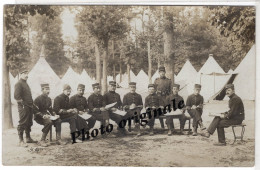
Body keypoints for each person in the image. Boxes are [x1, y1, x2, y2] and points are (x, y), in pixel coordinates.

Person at [14, 69, 37, 147]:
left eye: (27, 73)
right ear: (21, 74)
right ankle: (20, 140)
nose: (26, 75)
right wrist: (23, 105)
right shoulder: (19, 84)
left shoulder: (25, 83)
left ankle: (28, 138)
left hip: (29, 106)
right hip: (24, 107)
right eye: (24, 73)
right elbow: (17, 96)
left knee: (29, 122)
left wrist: (32, 104)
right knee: (23, 122)